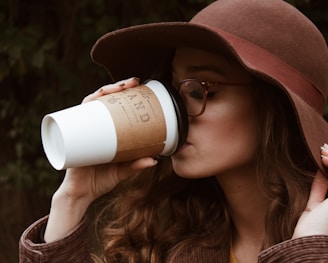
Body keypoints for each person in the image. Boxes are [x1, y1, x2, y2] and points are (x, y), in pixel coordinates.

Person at [19, 0, 328, 262]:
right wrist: (72, 199)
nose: (174, 111)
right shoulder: (165, 242)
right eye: (171, 88)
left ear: (276, 106)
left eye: (199, 90)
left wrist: (309, 249)